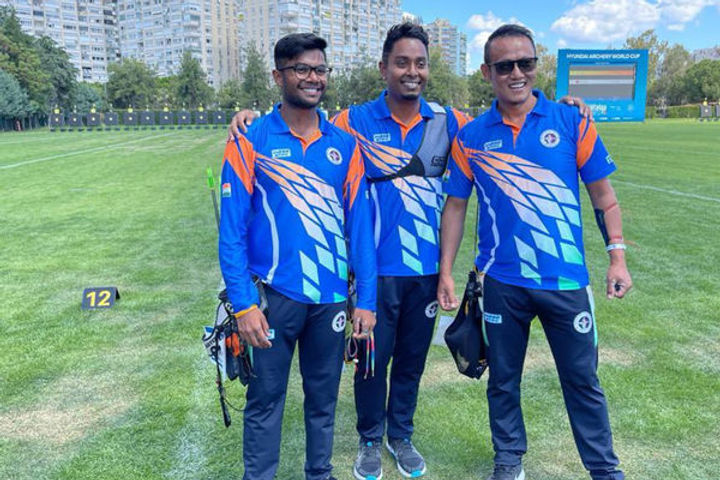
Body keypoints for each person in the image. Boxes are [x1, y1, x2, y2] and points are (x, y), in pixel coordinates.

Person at [438, 24, 631, 480]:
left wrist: (617, 257)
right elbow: (456, 206)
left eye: (525, 63)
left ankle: (604, 470)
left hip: (565, 281)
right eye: (505, 66)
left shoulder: (571, 121)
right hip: (502, 282)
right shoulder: (470, 136)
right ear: (487, 72)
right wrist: (446, 271)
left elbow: (604, 198)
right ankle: (508, 461)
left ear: (536, 65)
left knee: (582, 381)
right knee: (503, 380)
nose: (517, 73)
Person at [218, 32, 377, 480]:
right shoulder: (250, 139)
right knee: (265, 400)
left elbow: (360, 230)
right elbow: (231, 232)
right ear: (278, 76)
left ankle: (319, 474)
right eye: (301, 69)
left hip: (330, 299)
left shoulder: (345, 145)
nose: (313, 78)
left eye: (320, 69)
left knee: (323, 401)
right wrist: (243, 304)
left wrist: (366, 300)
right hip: (273, 298)